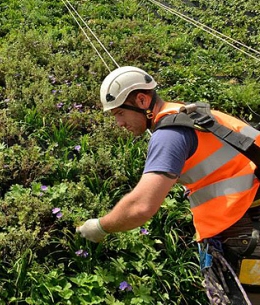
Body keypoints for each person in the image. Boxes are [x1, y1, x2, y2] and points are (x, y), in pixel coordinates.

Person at [76, 66, 260, 304]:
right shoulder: (192, 116)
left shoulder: (170, 134)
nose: (119, 123)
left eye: (120, 113)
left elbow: (141, 206)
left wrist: (100, 227)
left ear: (142, 100)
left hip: (245, 229)